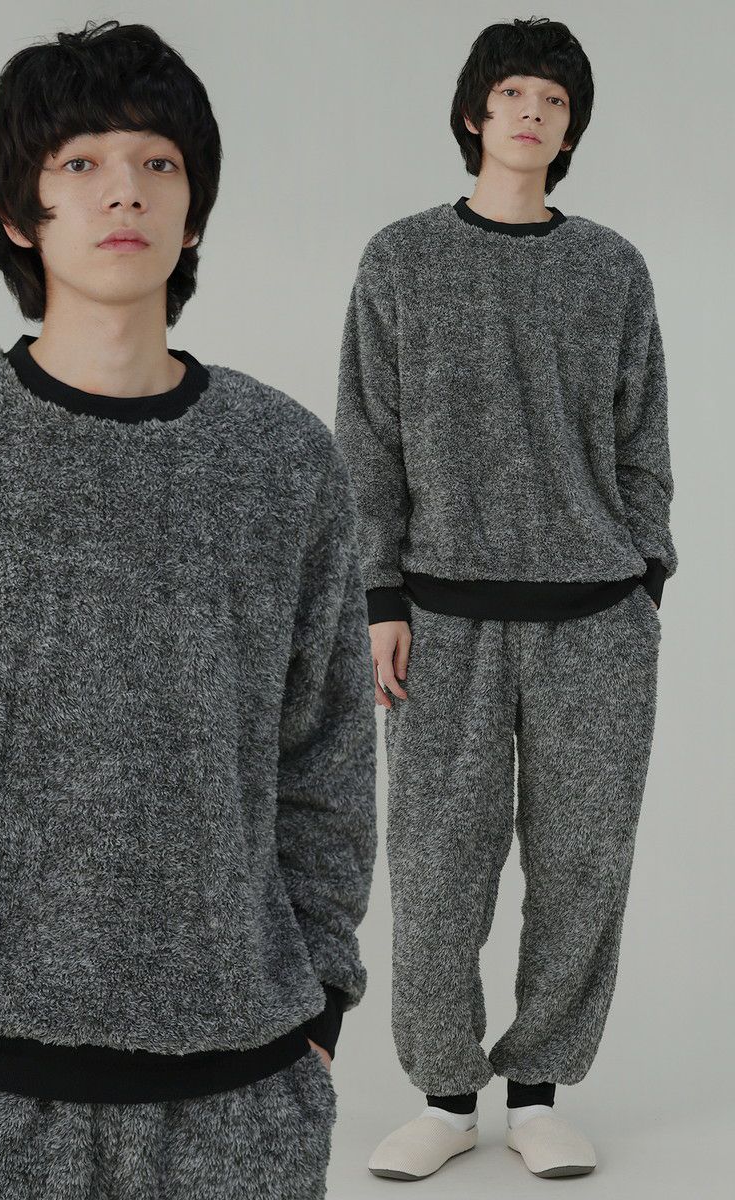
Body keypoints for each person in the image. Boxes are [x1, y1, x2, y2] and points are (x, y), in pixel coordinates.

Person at [0, 20, 377, 1199]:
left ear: (194, 211)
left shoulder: (284, 460)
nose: (126, 190)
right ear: (22, 212)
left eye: (159, 162)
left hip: (241, 1095)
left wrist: (320, 1011)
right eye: (81, 161)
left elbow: (327, 753)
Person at [334, 15, 676, 1183]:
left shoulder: (611, 268)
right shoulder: (401, 260)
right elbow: (367, 439)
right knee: (436, 869)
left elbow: (643, 439)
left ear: (570, 130)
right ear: (474, 113)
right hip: (442, 619)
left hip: (596, 619)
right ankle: (444, 1096)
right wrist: (378, 595)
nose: (532, 113)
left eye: (554, 101)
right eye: (514, 93)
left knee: (583, 867)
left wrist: (646, 572)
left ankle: (536, 1093)